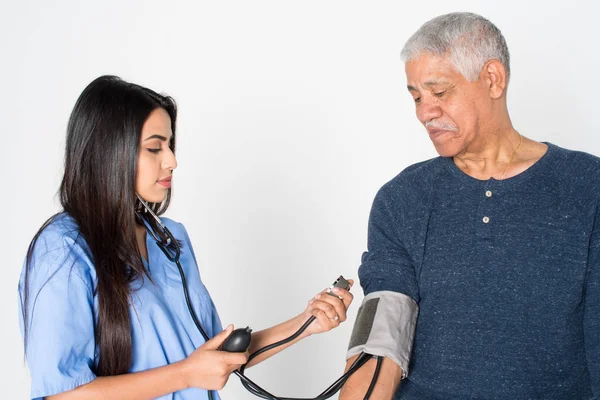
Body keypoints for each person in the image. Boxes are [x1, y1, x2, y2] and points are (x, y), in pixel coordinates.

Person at [18, 75, 354, 400]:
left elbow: (214, 357)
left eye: (170, 145)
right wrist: (185, 374)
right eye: (154, 148)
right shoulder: (62, 250)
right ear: (109, 153)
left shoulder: (170, 238)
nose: (172, 161)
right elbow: (62, 395)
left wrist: (305, 323)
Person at [339, 12, 600, 400]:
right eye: (416, 97)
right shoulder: (402, 199)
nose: (425, 112)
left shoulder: (587, 187)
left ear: (492, 79)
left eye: (439, 92)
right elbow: (381, 344)